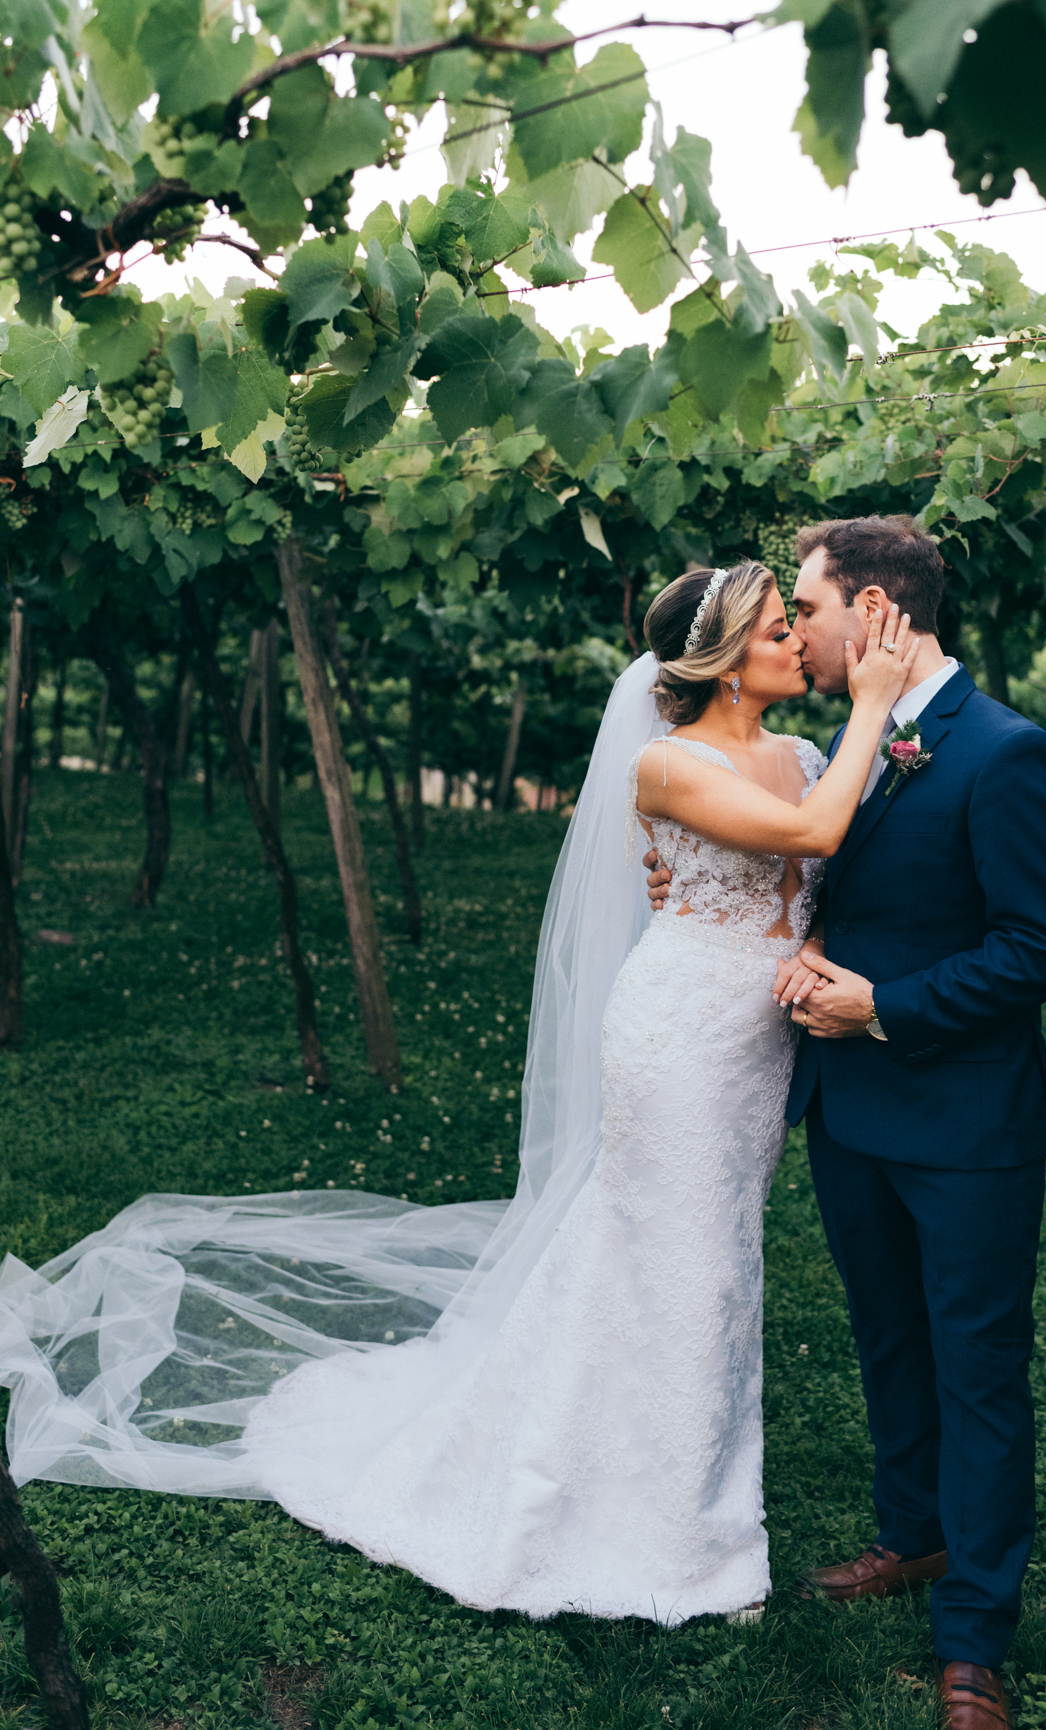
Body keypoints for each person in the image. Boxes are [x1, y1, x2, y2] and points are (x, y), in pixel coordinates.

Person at [0, 559, 915, 1632]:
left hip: (750, 1045)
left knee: (703, 1258)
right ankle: (672, 1524)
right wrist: (873, 704)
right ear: (717, 661)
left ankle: (659, 1469)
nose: (795, 645)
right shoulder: (669, 763)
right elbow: (812, 835)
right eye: (773, 632)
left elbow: (816, 875)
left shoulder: (804, 752)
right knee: (684, 1256)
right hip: (675, 1040)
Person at [646, 517, 1046, 1728]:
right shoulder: (847, 742)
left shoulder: (1006, 752)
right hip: (848, 1111)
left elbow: (1042, 946)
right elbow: (826, 876)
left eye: (809, 604)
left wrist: (883, 1003)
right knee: (889, 1340)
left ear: (879, 609)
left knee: (979, 1371)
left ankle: (975, 1638)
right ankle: (915, 1535)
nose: (796, 626)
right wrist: (822, 949)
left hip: (966, 1125)